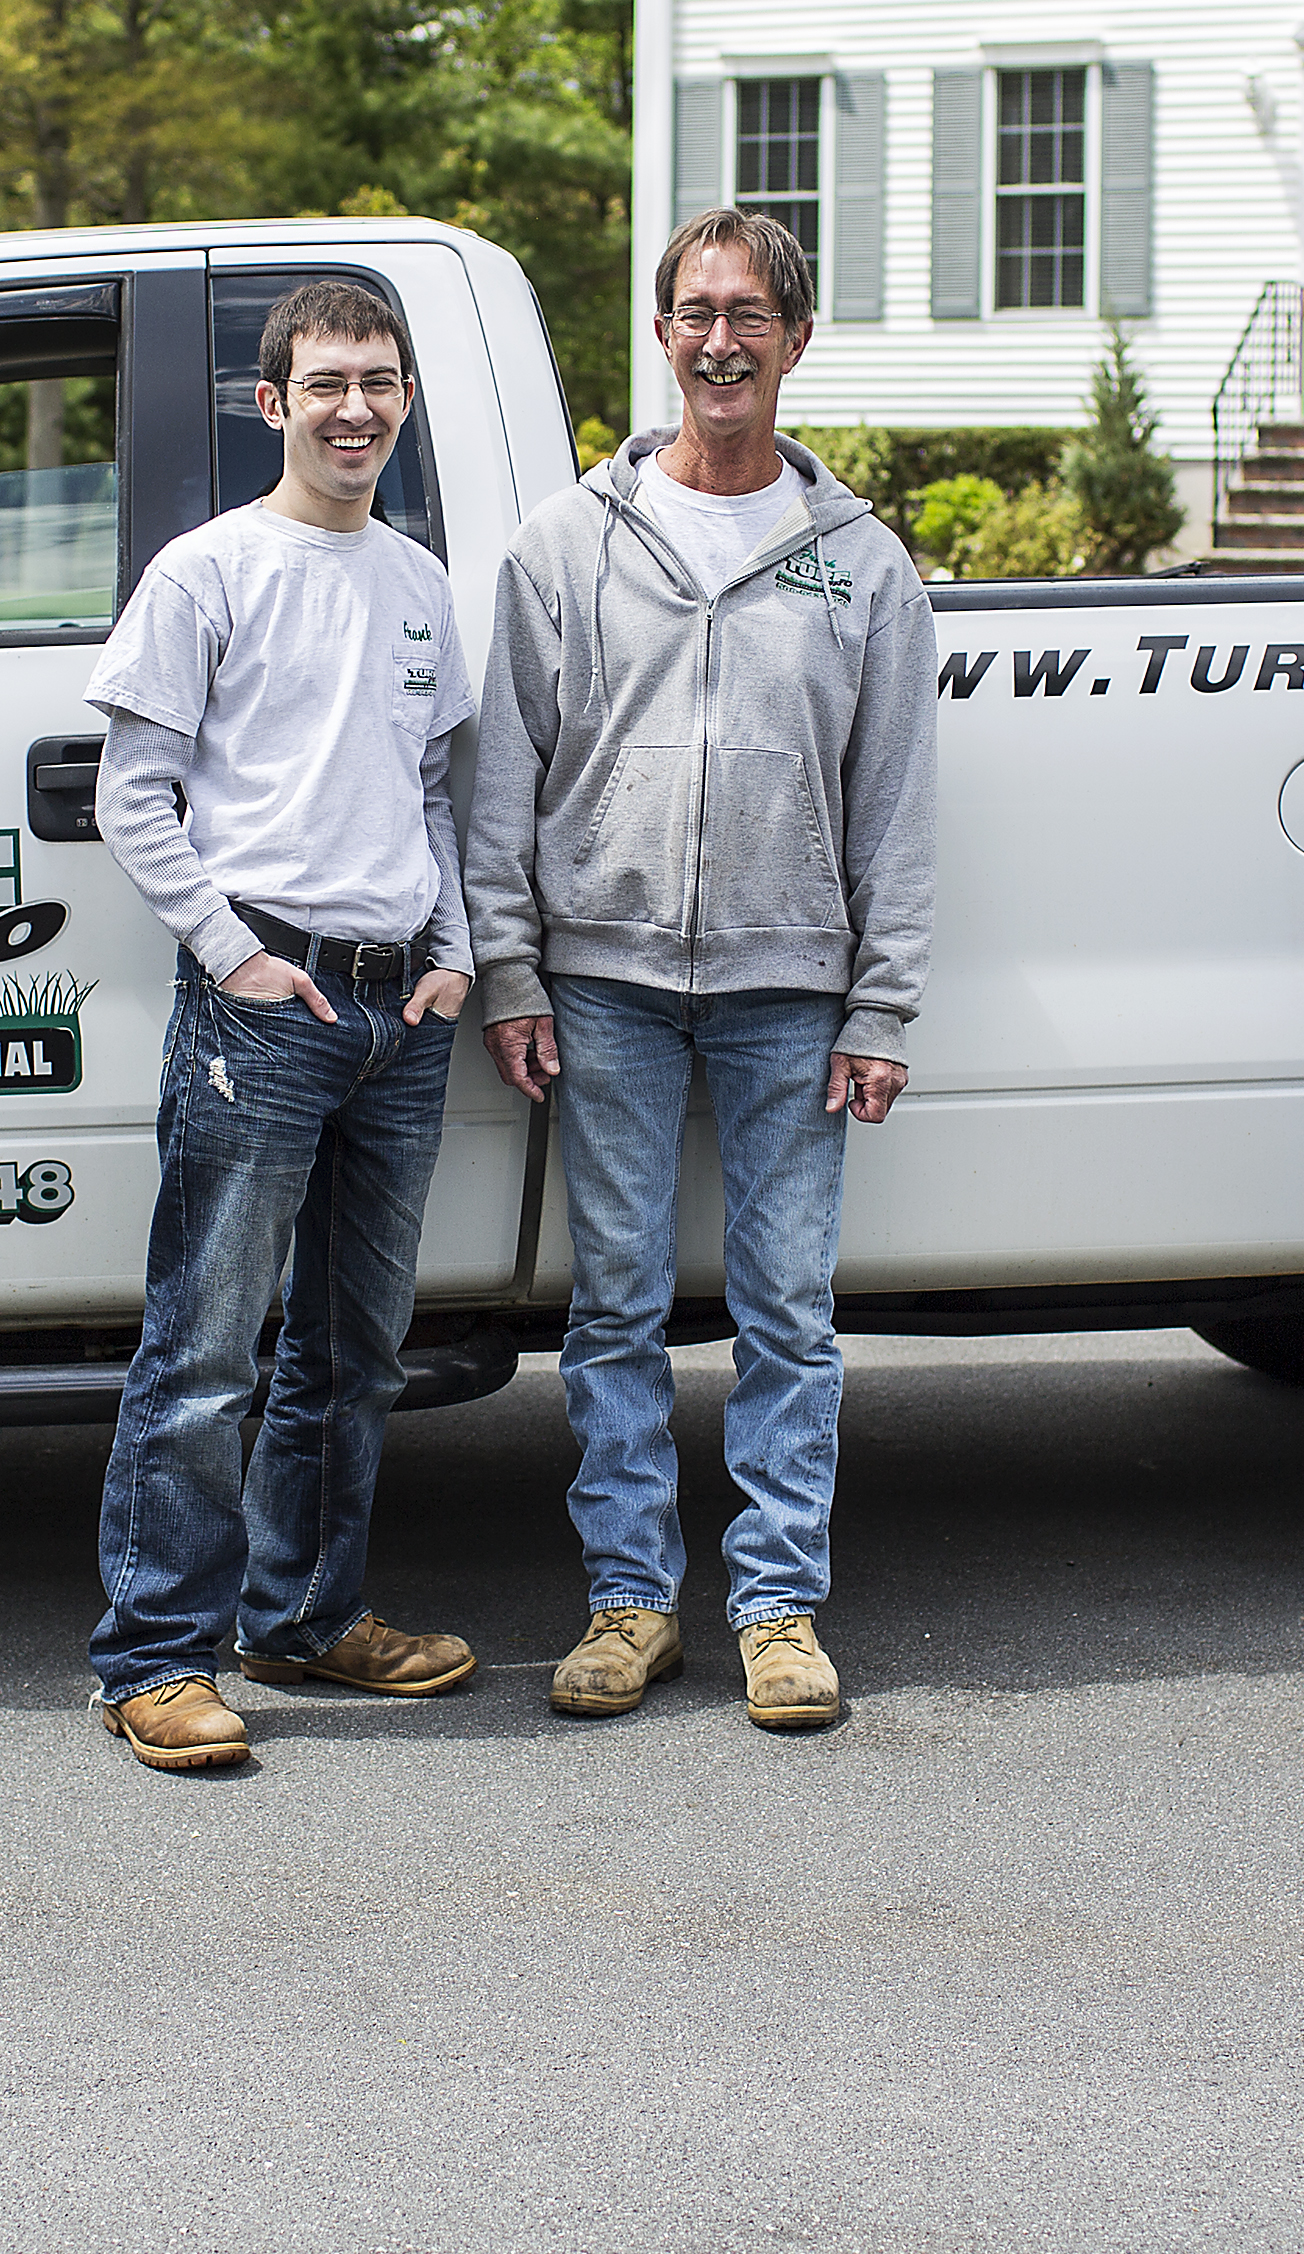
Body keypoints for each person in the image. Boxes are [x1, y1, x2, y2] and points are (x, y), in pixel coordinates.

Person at [466, 206, 941, 1732]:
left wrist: (881, 999)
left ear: (794, 341)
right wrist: (513, 972)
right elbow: (502, 783)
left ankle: (777, 1607)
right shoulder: (565, 545)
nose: (719, 337)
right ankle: (627, 1603)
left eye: (749, 312)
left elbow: (898, 805)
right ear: (660, 336)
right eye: (693, 310)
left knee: (786, 1313)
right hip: (598, 981)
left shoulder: (861, 567)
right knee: (609, 1307)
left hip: (791, 986)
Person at [79, 276, 480, 1771]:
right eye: (326, 383)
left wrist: (454, 950)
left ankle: (307, 1616)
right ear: (274, 403)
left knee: (351, 1350)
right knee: (202, 1353)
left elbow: (432, 795)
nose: (357, 407)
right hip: (266, 1004)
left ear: (405, 400)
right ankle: (152, 1658)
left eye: (379, 381)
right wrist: (232, 955)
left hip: (399, 1009)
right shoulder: (205, 572)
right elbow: (135, 793)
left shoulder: (421, 582)